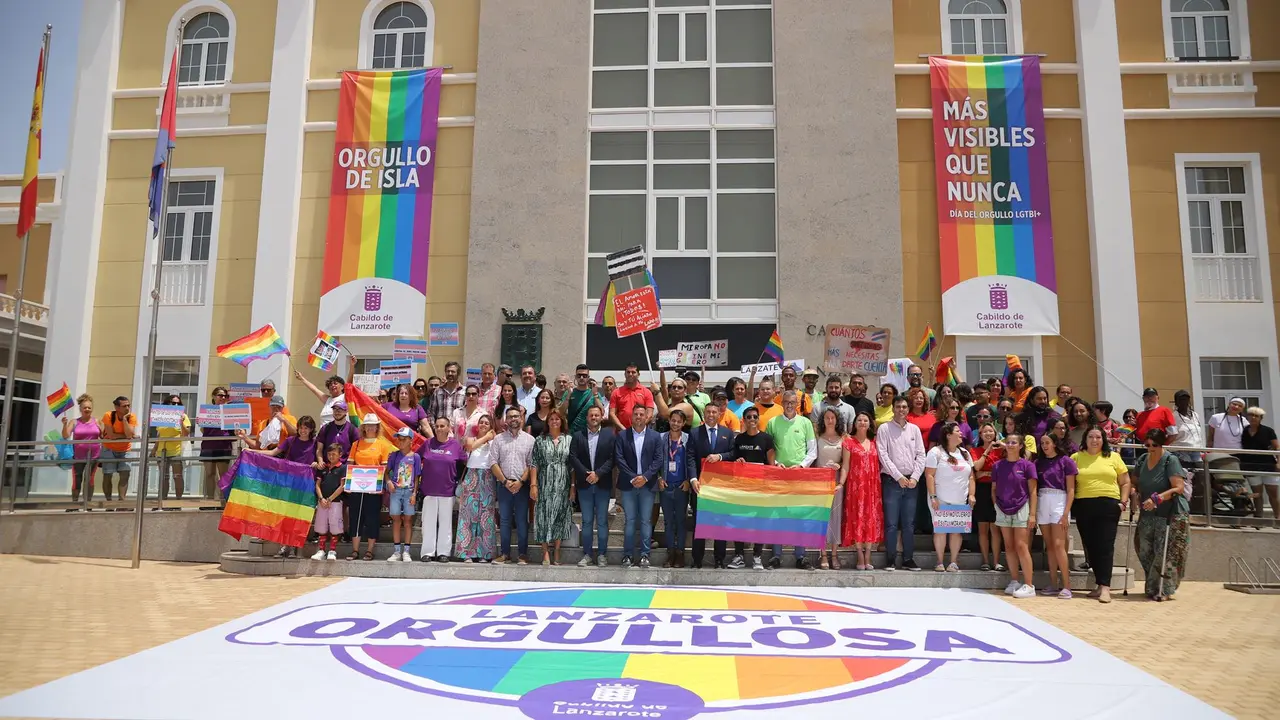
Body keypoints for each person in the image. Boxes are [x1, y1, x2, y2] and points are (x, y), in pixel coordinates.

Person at [1071, 427, 1131, 603]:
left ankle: (1105, 587)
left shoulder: (1113, 457)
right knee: (1091, 547)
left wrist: (1123, 502)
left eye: (1098, 437)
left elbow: (1125, 481)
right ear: (1085, 439)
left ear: (1103, 440)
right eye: (1091, 437)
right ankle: (1099, 584)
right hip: (1083, 505)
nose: (1094, 440)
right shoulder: (1076, 457)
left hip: (1108, 504)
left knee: (1105, 546)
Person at [1134, 429, 1190, 599]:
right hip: (1148, 514)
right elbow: (1134, 482)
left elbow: (1178, 487)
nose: (1150, 448)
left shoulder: (1170, 461)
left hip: (1171, 513)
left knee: (1166, 553)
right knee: (1144, 549)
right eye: (1147, 444)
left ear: (1162, 444)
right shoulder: (1143, 459)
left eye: (1154, 445)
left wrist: (1158, 499)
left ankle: (1164, 589)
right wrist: (1134, 493)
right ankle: (1153, 584)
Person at [765, 391, 818, 570]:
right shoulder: (773, 423)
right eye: (786, 402)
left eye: (792, 402)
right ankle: (776, 555)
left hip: (800, 475)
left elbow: (812, 451)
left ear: (797, 404)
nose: (789, 405)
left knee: (799, 516)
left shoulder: (805, 423)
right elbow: (769, 449)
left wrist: (801, 466)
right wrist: (777, 464)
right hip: (779, 475)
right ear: (782, 403)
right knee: (778, 516)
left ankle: (801, 556)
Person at [878, 395, 926, 571]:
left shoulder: (914, 430)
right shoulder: (884, 429)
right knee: (891, 523)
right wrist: (898, 476)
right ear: (893, 409)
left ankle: (908, 559)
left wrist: (915, 477)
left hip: (912, 482)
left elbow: (921, 454)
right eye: (898, 407)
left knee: (909, 524)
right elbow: (883, 455)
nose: (901, 410)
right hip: (892, 481)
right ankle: (890, 559)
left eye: (904, 407)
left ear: (908, 409)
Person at [686, 402, 735, 569]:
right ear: (704, 414)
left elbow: (733, 453)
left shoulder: (727, 433)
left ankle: (719, 559)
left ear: (719, 414)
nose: (711, 415)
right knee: (700, 523)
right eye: (708, 412)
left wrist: (720, 457)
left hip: (720, 487)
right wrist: (693, 479)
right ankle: (697, 559)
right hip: (700, 485)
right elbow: (690, 457)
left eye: (714, 412)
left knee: (720, 523)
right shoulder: (694, 433)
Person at [615, 404, 663, 569]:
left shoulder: (655, 437)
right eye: (636, 414)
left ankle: (645, 555)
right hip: (629, 485)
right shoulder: (622, 436)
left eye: (642, 414)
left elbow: (658, 459)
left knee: (645, 521)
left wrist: (645, 477)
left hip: (648, 485)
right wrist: (633, 477)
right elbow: (619, 459)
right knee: (629, 521)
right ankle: (627, 555)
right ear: (631, 417)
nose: (638, 417)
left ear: (646, 417)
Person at [419, 417, 473, 563]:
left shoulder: (455, 445)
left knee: (446, 524)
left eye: (442, 426)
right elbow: (416, 459)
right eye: (436, 426)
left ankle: (443, 552)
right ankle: (428, 552)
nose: (439, 428)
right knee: (428, 523)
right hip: (429, 491)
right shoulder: (427, 444)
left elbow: (466, 462)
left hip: (448, 491)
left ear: (449, 428)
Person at [724, 406, 771, 569]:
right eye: (749, 417)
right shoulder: (739, 440)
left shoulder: (766, 439)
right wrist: (737, 462)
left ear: (758, 419)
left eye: (755, 417)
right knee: (739, 521)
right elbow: (733, 460)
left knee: (759, 522)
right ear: (743, 420)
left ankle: (757, 556)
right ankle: (739, 556)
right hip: (741, 487)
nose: (752, 420)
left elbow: (771, 465)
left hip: (760, 488)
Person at [924, 422, 975, 573]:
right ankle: (939, 561)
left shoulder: (965, 453)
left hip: (960, 498)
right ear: (948, 435)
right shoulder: (935, 452)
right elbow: (929, 475)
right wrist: (933, 496)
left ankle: (953, 562)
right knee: (940, 530)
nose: (961, 434)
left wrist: (972, 494)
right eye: (958, 431)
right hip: (940, 498)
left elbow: (971, 477)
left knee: (956, 531)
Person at [570, 404, 616, 567]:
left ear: (601, 416)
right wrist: (586, 474)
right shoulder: (578, 436)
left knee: (602, 521)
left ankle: (602, 554)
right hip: (585, 484)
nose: (594, 418)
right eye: (591, 415)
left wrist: (598, 474)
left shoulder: (609, 435)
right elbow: (573, 457)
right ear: (587, 418)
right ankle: (587, 554)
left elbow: (612, 458)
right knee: (587, 521)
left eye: (597, 415)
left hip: (602, 483)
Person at [992, 433, 1038, 598]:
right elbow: (994, 488)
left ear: (1020, 446)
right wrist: (996, 504)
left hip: (1021, 508)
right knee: (1009, 546)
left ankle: (1029, 584)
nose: (1010, 445)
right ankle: (1014, 581)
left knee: (1021, 546)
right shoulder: (997, 466)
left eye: (1014, 442)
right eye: (1008, 442)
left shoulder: (1027, 465)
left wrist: (1032, 514)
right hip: (1002, 508)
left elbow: (1033, 491)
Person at [490, 406, 536, 564]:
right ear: (506, 420)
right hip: (504, 485)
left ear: (522, 418)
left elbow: (531, 464)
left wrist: (521, 482)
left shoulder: (530, 440)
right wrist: (505, 481)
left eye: (516, 416)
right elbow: (493, 462)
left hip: (522, 486)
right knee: (504, 520)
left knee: (523, 521)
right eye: (510, 417)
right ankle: (505, 554)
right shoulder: (498, 439)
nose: (513, 419)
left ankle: (522, 554)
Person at [1035, 433, 1077, 598]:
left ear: (1055, 443)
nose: (1045, 446)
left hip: (1059, 499)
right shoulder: (1038, 462)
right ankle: (1053, 583)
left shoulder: (1066, 461)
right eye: (1042, 443)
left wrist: (1066, 512)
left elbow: (1071, 489)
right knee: (1049, 546)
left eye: (1048, 442)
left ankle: (1067, 585)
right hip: (1042, 500)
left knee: (1059, 545)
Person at [347, 415, 394, 561]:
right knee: (355, 517)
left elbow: (385, 467)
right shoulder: (356, 444)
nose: (370, 427)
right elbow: (350, 464)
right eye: (367, 425)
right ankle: (355, 550)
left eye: (373, 425)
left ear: (377, 427)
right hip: (357, 487)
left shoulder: (383, 445)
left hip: (374, 487)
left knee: (372, 518)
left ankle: (369, 551)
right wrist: (349, 482)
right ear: (363, 427)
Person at [531, 410, 574, 565]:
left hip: (563, 484)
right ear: (547, 422)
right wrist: (533, 485)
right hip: (544, 483)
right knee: (543, 516)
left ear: (562, 421)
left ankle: (556, 550)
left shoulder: (569, 439)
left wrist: (572, 486)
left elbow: (572, 466)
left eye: (558, 419)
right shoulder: (540, 440)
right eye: (552, 419)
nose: (555, 421)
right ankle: (545, 552)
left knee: (560, 516)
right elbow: (534, 463)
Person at [454, 413, 499, 562]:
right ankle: (467, 553)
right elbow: (472, 447)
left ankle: (484, 553)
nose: (484, 425)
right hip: (471, 477)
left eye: (487, 423)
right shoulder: (470, 439)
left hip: (487, 477)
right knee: (468, 516)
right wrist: (487, 437)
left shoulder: (495, 442)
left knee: (486, 516)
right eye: (482, 423)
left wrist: (492, 439)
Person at [841, 411, 882, 571]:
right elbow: (845, 466)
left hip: (872, 486)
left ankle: (868, 554)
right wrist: (841, 483)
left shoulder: (875, 442)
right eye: (859, 420)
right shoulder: (848, 442)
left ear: (869, 423)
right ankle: (859, 553)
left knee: (870, 517)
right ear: (855, 423)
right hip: (855, 486)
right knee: (857, 517)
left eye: (865, 420)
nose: (862, 422)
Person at [658, 409, 697, 568]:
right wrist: (658, 478)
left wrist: (689, 480)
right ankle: (670, 552)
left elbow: (691, 460)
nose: (675, 423)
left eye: (679, 421)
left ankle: (680, 553)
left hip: (682, 486)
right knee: (668, 522)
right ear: (669, 421)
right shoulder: (661, 438)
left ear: (683, 423)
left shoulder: (688, 439)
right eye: (673, 420)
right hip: (665, 485)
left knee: (680, 521)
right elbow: (655, 460)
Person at [969, 422, 1004, 572]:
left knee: (995, 528)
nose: (988, 434)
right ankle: (985, 560)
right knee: (983, 528)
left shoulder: (1002, 450)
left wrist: (1003, 445)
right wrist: (988, 450)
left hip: (998, 490)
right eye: (985, 432)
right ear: (980, 435)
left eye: (991, 431)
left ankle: (996, 561)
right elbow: (976, 467)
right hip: (982, 490)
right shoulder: (975, 450)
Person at [815, 408, 847, 570]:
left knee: (836, 517)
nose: (830, 420)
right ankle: (823, 554)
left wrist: (839, 466)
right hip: (820, 481)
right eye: (827, 418)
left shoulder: (843, 438)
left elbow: (847, 464)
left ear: (837, 420)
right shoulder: (817, 437)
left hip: (836, 482)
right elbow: (813, 459)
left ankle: (834, 554)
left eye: (833, 417)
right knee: (822, 518)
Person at [1240, 406, 1279, 519]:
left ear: (1261, 418)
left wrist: (1278, 463)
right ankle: (1259, 518)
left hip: (1268, 466)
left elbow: (1277, 447)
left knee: (1273, 494)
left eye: (1256, 416)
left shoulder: (1268, 431)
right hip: (1251, 466)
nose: (1253, 418)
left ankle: (1278, 518)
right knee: (1257, 494)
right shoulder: (1244, 431)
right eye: (1251, 415)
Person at [63, 393, 103, 504]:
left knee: (89, 479)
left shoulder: (97, 421)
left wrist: (101, 429)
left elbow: (103, 436)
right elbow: (66, 435)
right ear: (80, 408)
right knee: (77, 479)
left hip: (94, 455)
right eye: (84, 407)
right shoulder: (74, 422)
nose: (87, 409)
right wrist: (64, 424)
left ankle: (88, 503)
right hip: (78, 455)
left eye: (89, 407)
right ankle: (74, 503)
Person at [310, 443, 347, 561]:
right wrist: (321, 498)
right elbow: (317, 485)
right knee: (321, 525)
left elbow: (342, 486)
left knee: (335, 525)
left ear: (340, 455)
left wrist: (330, 498)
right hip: (322, 502)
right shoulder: (324, 468)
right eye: (329, 454)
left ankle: (332, 550)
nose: (331, 457)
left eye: (334, 454)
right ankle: (321, 550)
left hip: (335, 502)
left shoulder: (343, 468)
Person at [200, 387, 236, 501]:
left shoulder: (230, 411)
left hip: (223, 445)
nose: (223, 398)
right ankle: (210, 500)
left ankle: (222, 500)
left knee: (223, 475)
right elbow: (203, 430)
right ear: (214, 396)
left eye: (225, 396)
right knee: (209, 473)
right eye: (220, 395)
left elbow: (234, 430)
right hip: (208, 445)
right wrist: (200, 422)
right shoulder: (207, 411)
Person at [152, 394, 191, 500]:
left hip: (176, 450)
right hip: (162, 450)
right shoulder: (161, 415)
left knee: (177, 476)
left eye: (178, 403)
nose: (176, 405)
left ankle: (178, 502)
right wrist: (154, 449)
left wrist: (181, 421)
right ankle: (162, 501)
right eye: (173, 403)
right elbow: (159, 434)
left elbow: (186, 433)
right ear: (167, 404)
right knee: (163, 478)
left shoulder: (184, 416)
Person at [100, 396, 137, 501]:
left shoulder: (131, 417)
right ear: (117, 407)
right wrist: (127, 436)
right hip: (109, 449)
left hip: (125, 449)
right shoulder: (108, 415)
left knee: (125, 474)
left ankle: (121, 502)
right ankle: (109, 502)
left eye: (128, 405)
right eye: (124, 406)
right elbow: (111, 436)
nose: (127, 408)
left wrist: (125, 420)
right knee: (107, 475)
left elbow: (129, 434)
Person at [1170, 390, 1204, 497]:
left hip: (1196, 451)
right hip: (1181, 451)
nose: (1184, 401)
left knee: (1201, 477)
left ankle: (1197, 501)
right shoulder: (1173, 416)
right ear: (1176, 402)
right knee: (1186, 478)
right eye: (1181, 399)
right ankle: (1186, 501)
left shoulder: (1195, 415)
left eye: (1186, 398)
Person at [609, 363, 655, 431]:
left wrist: (638, 428)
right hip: (621, 432)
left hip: (640, 432)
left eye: (633, 372)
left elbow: (649, 414)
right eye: (628, 372)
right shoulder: (616, 392)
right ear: (624, 374)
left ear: (638, 374)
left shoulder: (646, 392)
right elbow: (612, 414)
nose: (630, 374)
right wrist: (623, 429)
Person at [562, 364, 604, 434]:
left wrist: (595, 395)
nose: (581, 378)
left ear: (588, 377)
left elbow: (602, 412)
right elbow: (560, 412)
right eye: (579, 375)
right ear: (575, 377)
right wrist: (568, 395)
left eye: (584, 376)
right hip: (572, 433)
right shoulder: (569, 393)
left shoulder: (594, 393)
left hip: (590, 433)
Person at [427, 361, 467, 426]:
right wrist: (435, 428)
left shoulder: (464, 391)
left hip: (457, 433)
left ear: (458, 373)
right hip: (440, 432)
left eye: (453, 372)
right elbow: (431, 413)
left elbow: (467, 413)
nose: (450, 373)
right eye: (448, 371)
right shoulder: (438, 391)